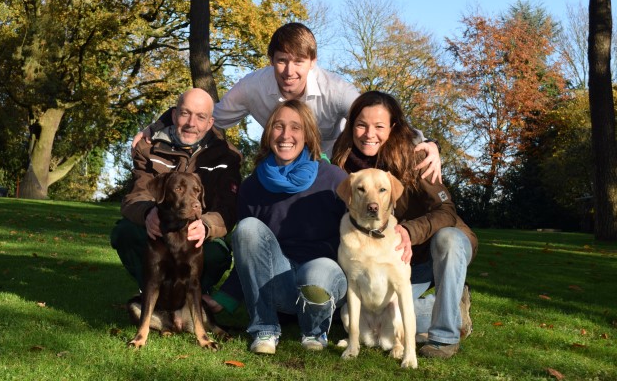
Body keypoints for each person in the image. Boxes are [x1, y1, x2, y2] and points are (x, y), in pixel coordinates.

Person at [132, 22, 443, 181]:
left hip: (332, 162)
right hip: (281, 158)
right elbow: (209, 117)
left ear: (313, 62)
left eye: (298, 62)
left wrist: (426, 142)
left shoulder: (336, 89)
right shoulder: (252, 87)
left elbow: (377, 119)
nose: (289, 71)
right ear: (271, 60)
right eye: (281, 61)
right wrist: (156, 127)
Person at [331, 91, 478, 359]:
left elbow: (446, 210)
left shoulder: (417, 158)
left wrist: (409, 231)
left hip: (430, 251)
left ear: (393, 127)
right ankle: (451, 306)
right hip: (386, 257)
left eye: (379, 126)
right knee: (378, 313)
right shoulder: (341, 162)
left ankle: (444, 336)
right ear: (351, 125)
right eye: (361, 125)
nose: (369, 134)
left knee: (448, 238)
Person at [229, 99, 348, 354]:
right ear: (268, 133)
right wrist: (225, 298)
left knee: (317, 272)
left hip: (324, 278)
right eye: (278, 126)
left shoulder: (334, 179)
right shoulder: (252, 185)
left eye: (295, 127)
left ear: (308, 134)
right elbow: (247, 253)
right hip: (278, 282)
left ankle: (314, 332)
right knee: (247, 228)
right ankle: (264, 329)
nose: (285, 135)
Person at [110, 88, 242, 298]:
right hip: (161, 230)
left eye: (201, 117)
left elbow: (228, 208)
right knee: (125, 232)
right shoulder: (148, 148)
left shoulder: (227, 156)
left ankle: (194, 296)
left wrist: (206, 225)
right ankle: (151, 291)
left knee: (216, 254)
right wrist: (147, 213)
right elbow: (136, 196)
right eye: (185, 113)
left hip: (197, 233)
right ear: (173, 115)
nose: (191, 123)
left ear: (210, 123)